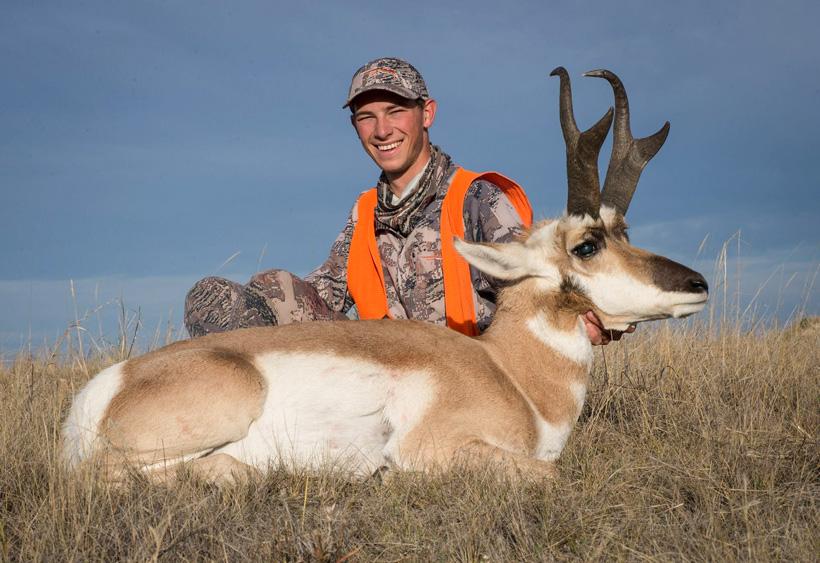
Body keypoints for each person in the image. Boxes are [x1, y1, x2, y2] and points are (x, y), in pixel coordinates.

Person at [184, 57, 631, 345]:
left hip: (467, 378)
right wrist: (259, 301)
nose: (382, 131)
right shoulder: (365, 214)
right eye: (367, 117)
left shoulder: (477, 198)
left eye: (396, 111)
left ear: (428, 113)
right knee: (248, 290)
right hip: (388, 368)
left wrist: (587, 314)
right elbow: (322, 294)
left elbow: (535, 286)